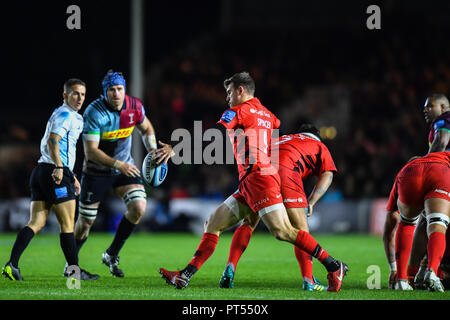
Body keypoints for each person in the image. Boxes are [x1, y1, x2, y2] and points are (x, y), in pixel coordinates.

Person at [158, 71, 348, 291]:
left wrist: (177, 148)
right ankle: (185, 275)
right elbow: (272, 147)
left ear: (241, 90)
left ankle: (334, 265)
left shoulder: (238, 111)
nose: (227, 97)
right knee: (213, 223)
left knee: (282, 231)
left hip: (258, 178)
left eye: (229, 92)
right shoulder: (270, 116)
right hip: (253, 179)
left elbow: (216, 133)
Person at [68, 70, 173, 278]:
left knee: (139, 206)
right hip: (96, 172)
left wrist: (154, 151)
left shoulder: (134, 107)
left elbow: (147, 128)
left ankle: (111, 254)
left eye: (120, 89)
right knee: (85, 222)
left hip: (125, 167)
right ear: (105, 92)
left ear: (125, 89)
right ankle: (71, 267)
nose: (116, 94)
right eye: (112, 90)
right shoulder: (94, 112)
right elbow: (91, 151)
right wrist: (118, 164)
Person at [218, 124, 337, 291]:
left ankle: (229, 268)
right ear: (316, 136)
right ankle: (308, 280)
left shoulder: (284, 139)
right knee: (301, 230)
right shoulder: (319, 145)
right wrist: (311, 201)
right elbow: (328, 175)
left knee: (249, 222)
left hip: (260, 172)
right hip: (287, 172)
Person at [2, 78, 97, 281]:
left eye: (82, 94)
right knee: (68, 225)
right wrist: (61, 168)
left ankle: (12, 265)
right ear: (65, 95)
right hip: (54, 172)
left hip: (41, 171)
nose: (80, 98)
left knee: (36, 222)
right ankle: (74, 273)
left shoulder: (66, 115)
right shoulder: (66, 115)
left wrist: (72, 176)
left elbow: (62, 147)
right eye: (75, 93)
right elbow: (54, 141)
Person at [384, 151, 450, 292]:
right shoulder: (442, 157)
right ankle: (432, 272)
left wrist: (393, 269)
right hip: (439, 170)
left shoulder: (403, 172)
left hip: (409, 174)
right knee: (438, 224)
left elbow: (389, 230)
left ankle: (402, 280)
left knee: (407, 222)